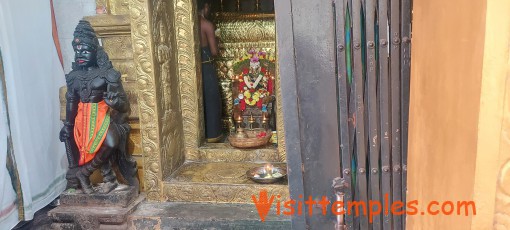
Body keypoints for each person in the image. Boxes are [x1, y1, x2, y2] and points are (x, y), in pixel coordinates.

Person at [59, 20, 138, 194]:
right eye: (77, 50)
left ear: (96, 51)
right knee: (83, 146)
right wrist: (68, 125)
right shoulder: (74, 76)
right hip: (82, 120)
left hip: (101, 115)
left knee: (110, 141)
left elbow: (124, 104)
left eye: (86, 50)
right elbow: (71, 101)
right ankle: (94, 177)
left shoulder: (107, 75)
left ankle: (85, 173)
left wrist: (115, 102)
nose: (80, 54)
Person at [198, 0, 223, 143]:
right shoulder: (206, 24)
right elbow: (213, 51)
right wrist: (217, 41)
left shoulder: (190, 24)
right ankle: (212, 134)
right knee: (211, 98)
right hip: (206, 65)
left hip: (191, 66)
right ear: (206, 6)